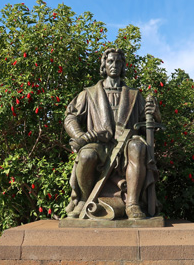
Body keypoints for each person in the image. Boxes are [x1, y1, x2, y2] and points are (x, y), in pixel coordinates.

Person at [63, 48, 160, 219]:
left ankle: (132, 204)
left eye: (118, 62)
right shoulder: (89, 93)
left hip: (126, 145)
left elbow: (147, 126)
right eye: (110, 61)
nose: (114, 65)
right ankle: (84, 200)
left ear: (123, 66)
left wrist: (154, 113)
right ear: (104, 65)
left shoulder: (134, 95)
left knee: (138, 147)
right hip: (99, 144)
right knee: (85, 156)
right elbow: (70, 118)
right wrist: (80, 137)